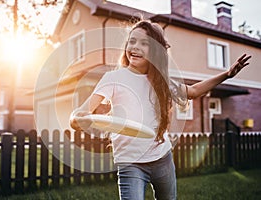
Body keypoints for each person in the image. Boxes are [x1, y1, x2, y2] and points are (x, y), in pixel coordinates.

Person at [70, 20, 251, 200]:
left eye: (144, 43)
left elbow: (193, 91)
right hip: (130, 162)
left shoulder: (161, 81)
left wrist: (227, 75)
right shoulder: (113, 78)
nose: (135, 47)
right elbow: (83, 111)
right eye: (132, 41)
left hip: (162, 158)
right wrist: (76, 119)